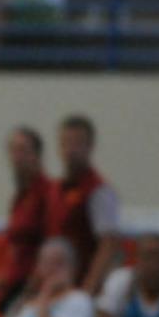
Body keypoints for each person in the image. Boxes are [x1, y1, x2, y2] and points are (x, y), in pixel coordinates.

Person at [0, 126, 54, 317]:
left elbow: (48, 252)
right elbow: (17, 259)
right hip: (17, 285)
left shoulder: (47, 195)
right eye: (13, 150)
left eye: (23, 150)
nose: (16, 157)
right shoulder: (21, 198)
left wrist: (28, 294)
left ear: (37, 155)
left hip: (34, 290)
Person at [45, 114, 120, 295]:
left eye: (77, 143)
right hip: (55, 288)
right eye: (66, 143)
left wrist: (88, 290)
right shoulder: (56, 189)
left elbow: (108, 245)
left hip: (80, 289)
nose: (71, 150)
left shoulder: (99, 192)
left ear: (90, 147)